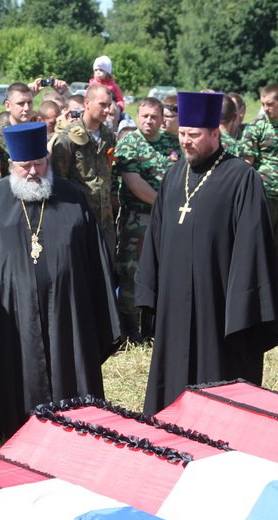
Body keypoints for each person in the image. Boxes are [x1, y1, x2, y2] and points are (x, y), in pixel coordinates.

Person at [0, 122, 120, 442]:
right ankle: (15, 431)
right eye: (25, 166)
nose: (33, 172)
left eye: (39, 164)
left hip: (67, 315)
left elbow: (95, 264)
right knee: (15, 382)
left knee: (72, 391)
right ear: (12, 165)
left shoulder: (72, 197)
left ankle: (76, 430)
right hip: (10, 322)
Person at [137, 91, 278, 415]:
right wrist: (150, 290)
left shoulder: (241, 178)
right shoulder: (175, 176)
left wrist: (242, 307)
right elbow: (156, 236)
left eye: (194, 135)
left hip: (217, 303)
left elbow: (253, 246)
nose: (186, 142)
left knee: (217, 376)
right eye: (182, 134)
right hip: (175, 303)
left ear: (215, 134)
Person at [114, 97, 180, 342]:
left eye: (154, 116)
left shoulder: (172, 143)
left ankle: (155, 327)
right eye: (144, 116)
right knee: (133, 273)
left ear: (162, 118)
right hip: (138, 220)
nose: (149, 121)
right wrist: (168, 206)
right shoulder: (129, 144)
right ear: (137, 116)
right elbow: (135, 184)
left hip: (170, 219)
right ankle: (131, 329)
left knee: (165, 272)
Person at [239, 83, 278, 272]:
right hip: (262, 196)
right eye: (263, 104)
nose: (266, 108)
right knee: (257, 247)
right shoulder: (256, 127)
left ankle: (275, 295)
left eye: (270, 104)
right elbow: (246, 164)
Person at [51, 84, 116, 257]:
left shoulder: (108, 135)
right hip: (79, 217)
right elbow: (59, 181)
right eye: (102, 104)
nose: (107, 110)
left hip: (105, 219)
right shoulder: (68, 138)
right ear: (87, 103)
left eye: (109, 105)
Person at [0, 82, 36, 176]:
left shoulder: (37, 133)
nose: (27, 108)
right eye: (21, 103)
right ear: (8, 106)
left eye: (30, 103)